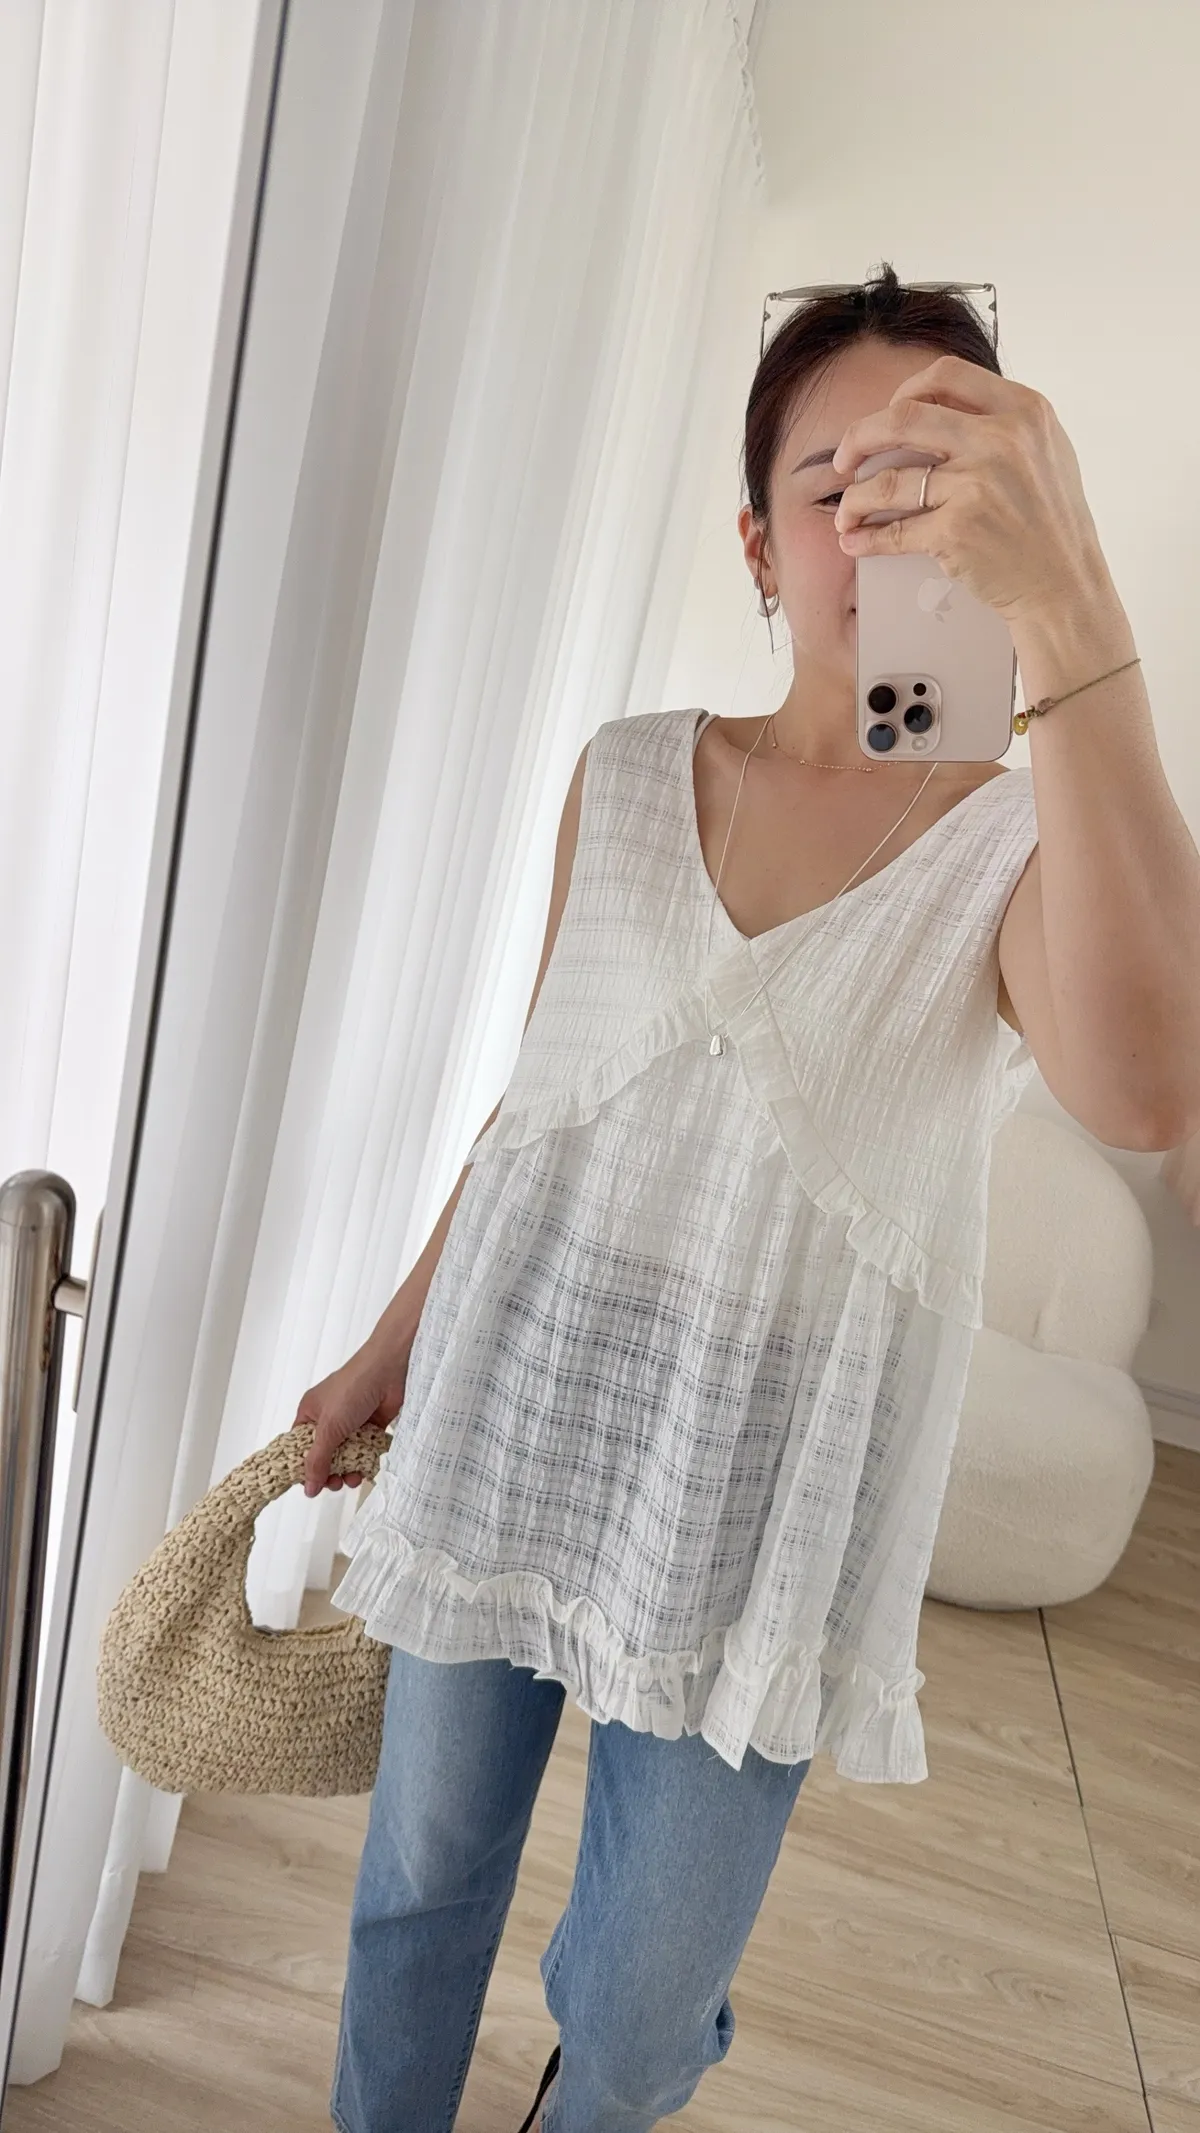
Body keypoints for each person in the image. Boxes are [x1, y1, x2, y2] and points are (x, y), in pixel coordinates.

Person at [292, 264, 1041, 2133]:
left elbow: (1152, 1082)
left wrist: (1069, 637)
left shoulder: (1016, 840)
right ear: (761, 541)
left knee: (634, 2010)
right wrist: (392, 1340)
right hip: (521, 1386)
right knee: (419, 1883)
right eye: (839, 485)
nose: (884, 524)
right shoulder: (630, 773)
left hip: (768, 1475)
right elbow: (540, 1107)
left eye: (936, 481)